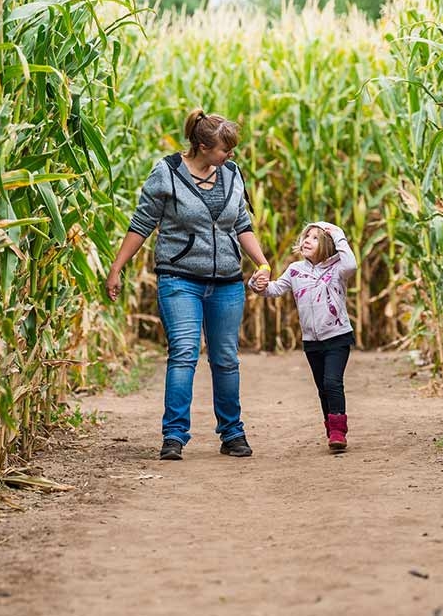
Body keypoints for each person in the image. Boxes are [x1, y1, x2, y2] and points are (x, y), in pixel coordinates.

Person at [105, 108, 270, 461]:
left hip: (226, 281)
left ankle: (232, 433)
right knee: (184, 353)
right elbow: (142, 223)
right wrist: (117, 268)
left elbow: (241, 222)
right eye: (225, 149)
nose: (231, 155)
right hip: (179, 279)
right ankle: (174, 436)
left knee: (225, 359)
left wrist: (262, 262)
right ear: (202, 145)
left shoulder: (231, 173)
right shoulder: (166, 173)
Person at [249, 222, 357, 452]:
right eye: (306, 236)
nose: (307, 240)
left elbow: (352, 264)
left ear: (327, 244)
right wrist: (257, 284)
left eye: (315, 238)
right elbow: (274, 289)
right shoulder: (296, 269)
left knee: (332, 382)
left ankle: (339, 431)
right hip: (311, 341)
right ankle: (332, 429)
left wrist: (337, 234)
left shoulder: (338, 268)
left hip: (338, 336)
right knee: (322, 387)